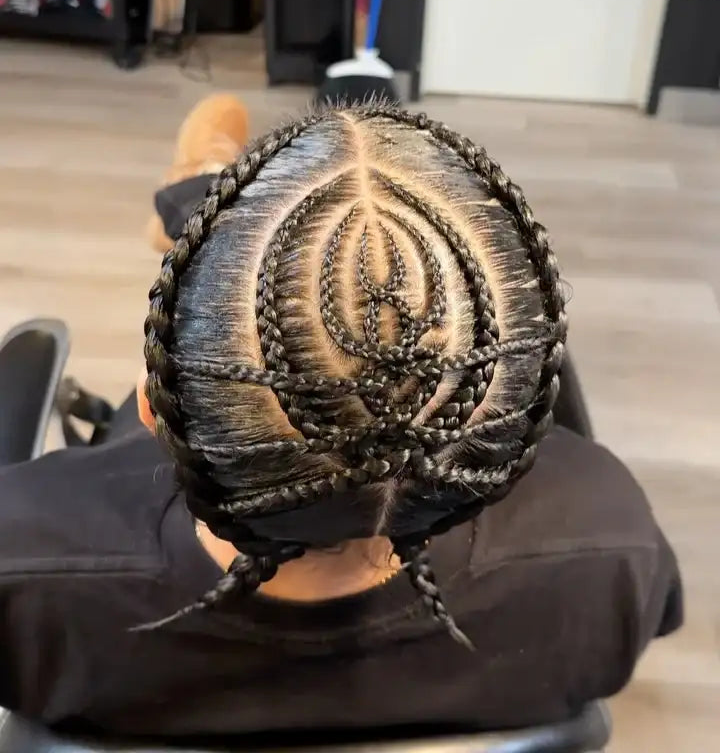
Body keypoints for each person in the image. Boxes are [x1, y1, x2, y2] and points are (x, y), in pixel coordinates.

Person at [0, 100, 682, 739]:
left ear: (153, 406)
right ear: (516, 412)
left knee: (221, 221)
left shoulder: (28, 566)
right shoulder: (610, 545)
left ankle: (201, 191)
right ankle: (199, 194)